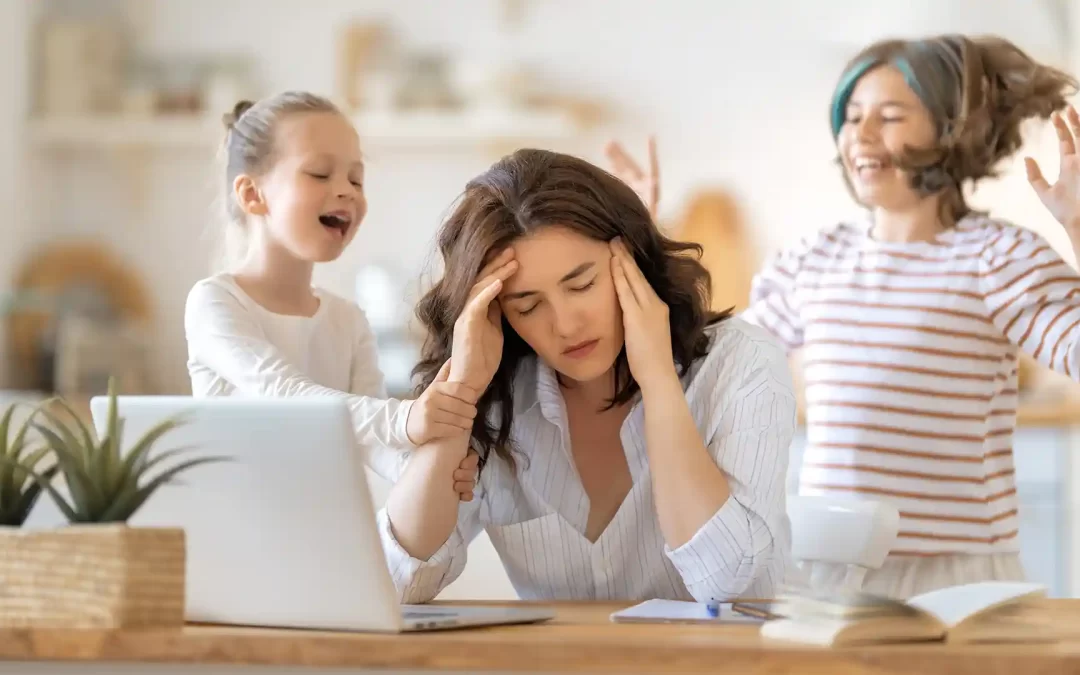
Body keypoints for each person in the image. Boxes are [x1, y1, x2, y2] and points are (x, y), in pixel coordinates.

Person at [605, 34, 1080, 598]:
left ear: (952, 128)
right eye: (852, 118)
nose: (862, 134)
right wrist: (642, 245)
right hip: (831, 575)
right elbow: (704, 363)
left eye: (890, 115)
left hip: (960, 579)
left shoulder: (997, 258)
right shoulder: (814, 260)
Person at [376, 148, 798, 603]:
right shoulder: (498, 397)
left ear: (632, 258)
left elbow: (727, 583)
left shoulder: (741, 365)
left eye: (582, 285)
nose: (566, 324)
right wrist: (461, 389)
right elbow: (396, 586)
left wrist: (658, 382)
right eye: (528, 305)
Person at [183, 91, 477, 495]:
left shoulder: (348, 319)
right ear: (253, 195)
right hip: (236, 535)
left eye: (356, 178)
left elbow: (374, 446)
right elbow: (281, 392)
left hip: (328, 533)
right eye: (320, 174)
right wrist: (404, 419)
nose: (347, 191)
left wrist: (430, 467)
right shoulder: (215, 302)